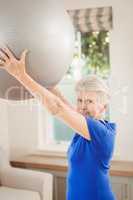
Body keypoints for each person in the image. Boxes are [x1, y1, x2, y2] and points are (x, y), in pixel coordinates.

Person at [0, 46, 117, 200]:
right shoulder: (84, 124)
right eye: (80, 100)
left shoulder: (100, 131)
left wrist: (20, 74)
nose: (82, 106)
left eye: (89, 101)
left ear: (103, 106)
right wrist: (41, 72)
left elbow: (58, 107)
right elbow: (61, 100)